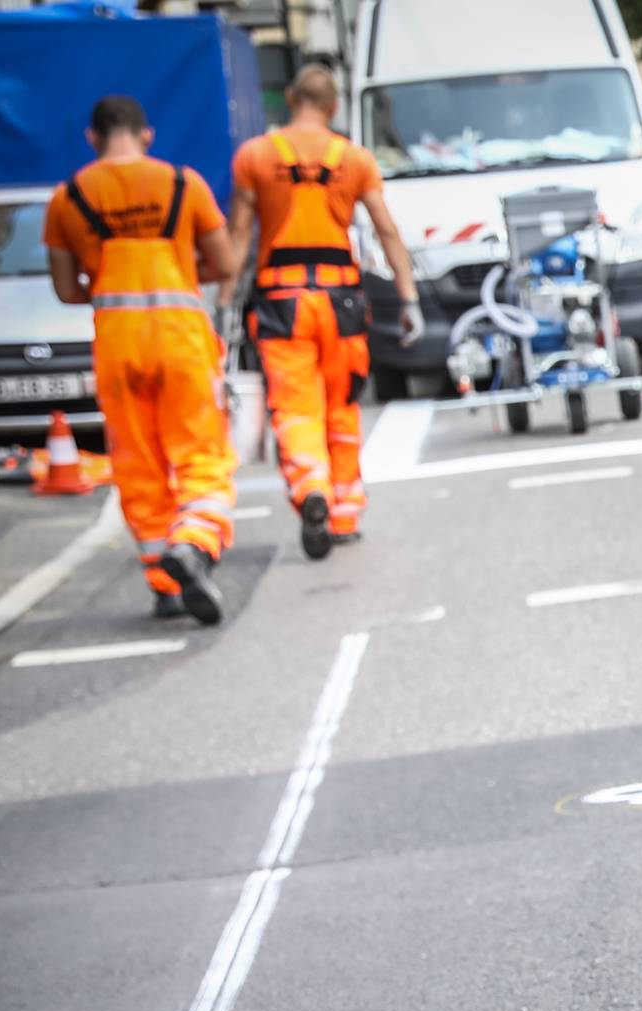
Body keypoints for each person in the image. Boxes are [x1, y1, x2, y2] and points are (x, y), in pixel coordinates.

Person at [44, 95, 242, 625]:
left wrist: (113, 284)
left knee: (138, 465)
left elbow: (66, 289)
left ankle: (164, 583)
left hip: (118, 342)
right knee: (202, 455)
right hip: (180, 337)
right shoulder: (184, 185)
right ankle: (195, 545)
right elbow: (223, 264)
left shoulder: (68, 198)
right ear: (146, 134)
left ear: (93, 137)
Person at [226, 65, 424, 559]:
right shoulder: (353, 159)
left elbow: (238, 238)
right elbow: (386, 231)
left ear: (290, 98)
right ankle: (342, 512)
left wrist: (224, 307)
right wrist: (409, 300)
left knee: (295, 408)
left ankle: (311, 487)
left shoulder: (255, 156)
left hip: (281, 303)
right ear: (334, 107)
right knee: (341, 408)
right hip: (342, 304)